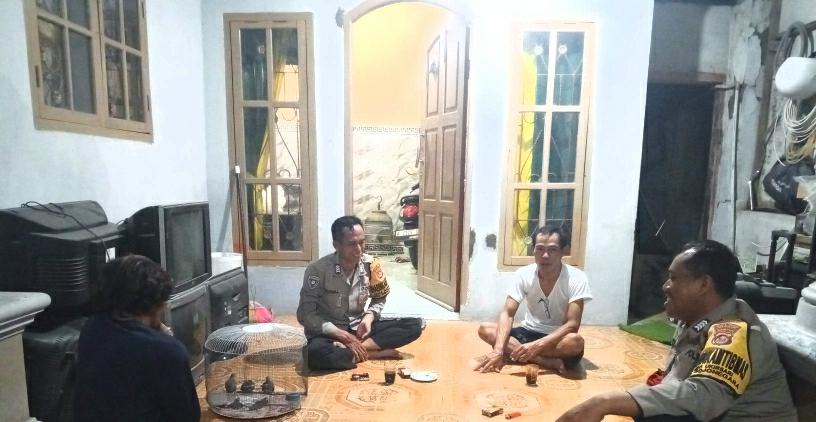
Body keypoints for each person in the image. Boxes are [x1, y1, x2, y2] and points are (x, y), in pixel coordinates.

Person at [556, 240, 797, 422]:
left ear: (704, 284)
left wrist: (605, 402)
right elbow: (675, 383)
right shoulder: (694, 319)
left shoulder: (733, 330)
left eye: (673, 278)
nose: (665, 286)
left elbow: (703, 396)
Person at [74, 255, 200, 422]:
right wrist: (168, 339)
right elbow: (189, 417)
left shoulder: (91, 329)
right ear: (157, 304)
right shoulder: (167, 352)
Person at [297, 215, 424, 370]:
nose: (359, 249)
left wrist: (369, 317)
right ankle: (371, 354)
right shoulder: (317, 270)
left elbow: (380, 297)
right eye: (352, 244)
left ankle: (356, 350)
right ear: (336, 245)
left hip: (359, 329)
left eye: (362, 242)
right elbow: (305, 314)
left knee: (414, 325)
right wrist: (340, 334)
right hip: (330, 334)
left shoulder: (371, 265)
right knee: (314, 355)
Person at [475, 224, 592, 373]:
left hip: (557, 338)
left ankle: (520, 353)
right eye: (540, 249)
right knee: (486, 329)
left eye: (552, 249)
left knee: (575, 342)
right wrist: (498, 350)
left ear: (564, 251)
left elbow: (572, 324)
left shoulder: (577, 278)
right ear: (533, 250)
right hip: (527, 332)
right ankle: (545, 361)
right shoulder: (523, 274)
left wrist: (537, 346)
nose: (545, 255)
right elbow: (508, 313)